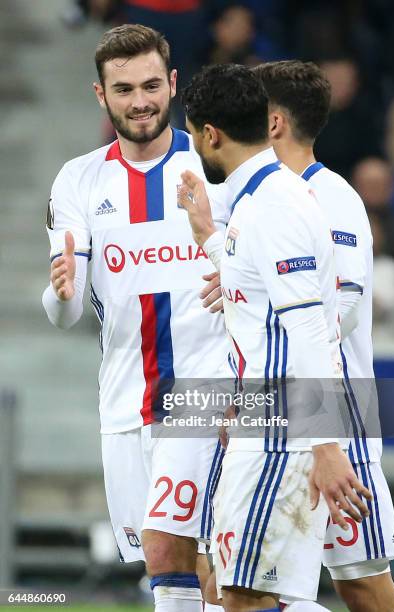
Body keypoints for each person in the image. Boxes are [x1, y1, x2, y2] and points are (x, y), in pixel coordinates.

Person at [42, 23, 232, 612]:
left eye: (151, 85)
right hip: (126, 402)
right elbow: (63, 314)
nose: (140, 101)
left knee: (209, 560)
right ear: (101, 94)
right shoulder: (79, 179)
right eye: (123, 89)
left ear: (173, 84)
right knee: (167, 566)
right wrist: (63, 290)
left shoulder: (216, 166)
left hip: (211, 392)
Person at [179, 62, 372, 612]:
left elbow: (313, 327)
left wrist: (327, 447)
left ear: (211, 134)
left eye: (193, 135)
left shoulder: (276, 208)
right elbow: (258, 299)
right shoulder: (260, 200)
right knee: (244, 594)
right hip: (262, 424)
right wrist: (208, 238)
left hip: (282, 436)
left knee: (242, 597)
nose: (195, 147)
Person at [251, 59, 394, 612]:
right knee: (239, 583)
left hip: (334, 410)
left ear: (271, 123)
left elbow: (346, 311)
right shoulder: (259, 199)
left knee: (361, 584)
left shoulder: (332, 197)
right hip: (270, 413)